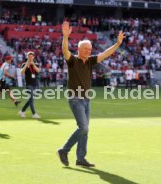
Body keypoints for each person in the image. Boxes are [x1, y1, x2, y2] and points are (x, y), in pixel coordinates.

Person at [57, 21, 125, 167]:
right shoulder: (73, 60)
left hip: (86, 99)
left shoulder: (90, 61)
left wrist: (118, 44)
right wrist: (65, 37)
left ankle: (80, 159)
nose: (88, 51)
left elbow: (105, 54)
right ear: (79, 49)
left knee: (85, 131)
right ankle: (64, 150)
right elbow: (65, 51)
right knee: (84, 128)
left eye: (90, 49)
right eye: (86, 49)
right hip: (76, 99)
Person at [18, 51, 40, 119]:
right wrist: (27, 64)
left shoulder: (36, 64)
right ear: (27, 57)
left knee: (31, 99)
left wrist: (33, 64)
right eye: (29, 56)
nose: (30, 58)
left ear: (33, 57)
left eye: (31, 56)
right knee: (31, 99)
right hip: (28, 84)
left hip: (35, 84)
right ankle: (34, 114)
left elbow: (38, 71)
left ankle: (22, 111)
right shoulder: (24, 64)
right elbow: (21, 72)